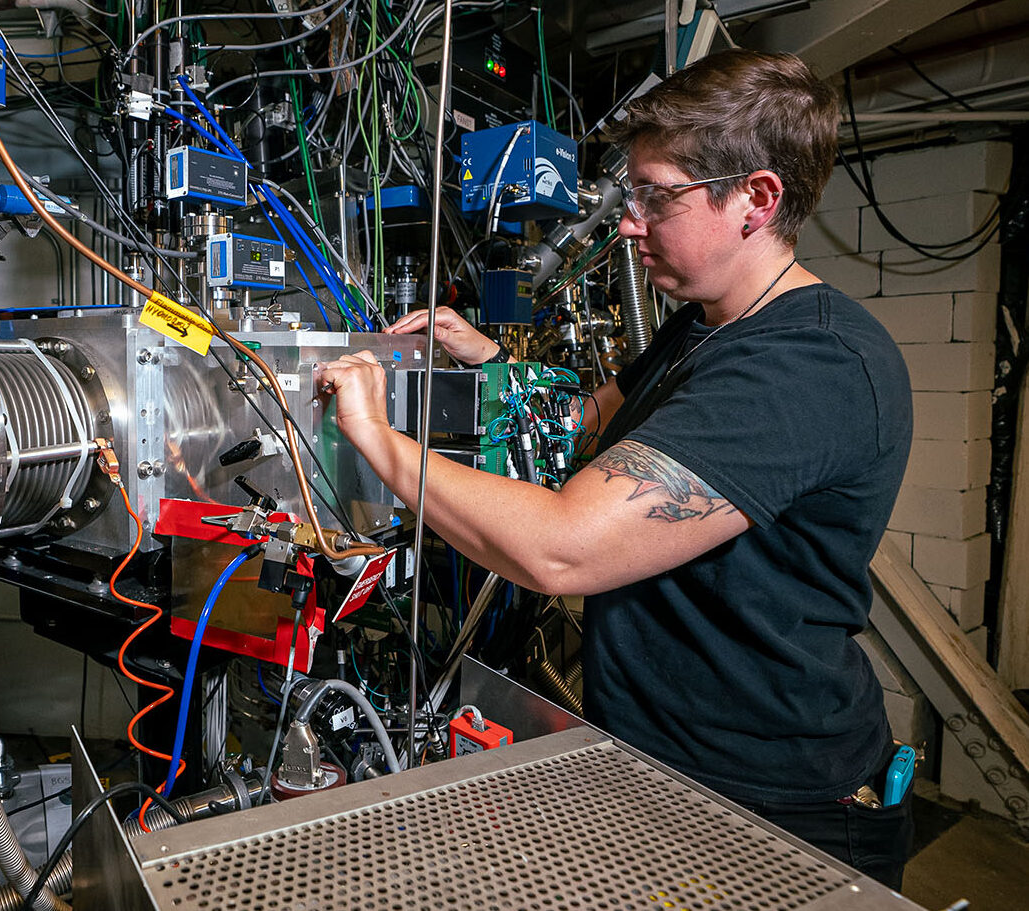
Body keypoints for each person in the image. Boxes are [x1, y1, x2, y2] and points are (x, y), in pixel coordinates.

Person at [319, 49, 915, 888]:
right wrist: (490, 364)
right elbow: (579, 428)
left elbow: (563, 547)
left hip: (773, 805)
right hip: (663, 766)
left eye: (654, 196)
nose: (627, 221)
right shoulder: (701, 324)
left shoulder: (806, 361)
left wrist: (375, 437)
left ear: (756, 197)